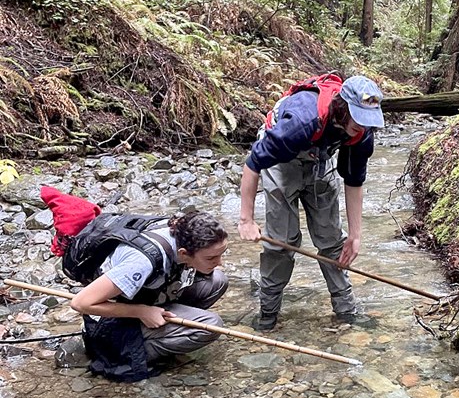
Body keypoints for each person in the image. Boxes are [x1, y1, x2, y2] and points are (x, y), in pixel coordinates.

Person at [238, 74, 384, 330]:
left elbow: (354, 182)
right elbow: (253, 164)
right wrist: (246, 220)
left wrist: (356, 235)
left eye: (368, 121)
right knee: (283, 241)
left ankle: (346, 311)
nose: (362, 127)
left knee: (332, 240)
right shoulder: (302, 121)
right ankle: (268, 313)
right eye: (358, 119)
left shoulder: (362, 134)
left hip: (319, 158)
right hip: (281, 160)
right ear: (342, 107)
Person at [69, 211, 229, 381]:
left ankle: (169, 329)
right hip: (108, 326)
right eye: (211, 257)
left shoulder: (179, 232)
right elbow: (80, 303)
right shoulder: (140, 263)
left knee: (217, 280)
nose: (220, 263)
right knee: (210, 325)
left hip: (144, 298)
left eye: (221, 254)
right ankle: (133, 352)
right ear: (183, 253)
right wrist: (141, 312)